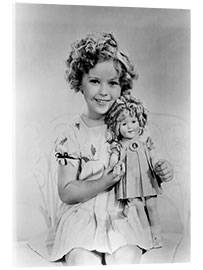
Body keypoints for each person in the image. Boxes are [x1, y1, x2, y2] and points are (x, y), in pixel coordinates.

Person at [28, 32, 173, 265]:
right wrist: (104, 182)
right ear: (80, 83)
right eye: (95, 81)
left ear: (122, 86)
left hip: (122, 215)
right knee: (83, 260)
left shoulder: (128, 128)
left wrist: (162, 170)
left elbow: (144, 167)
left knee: (126, 259)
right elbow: (66, 191)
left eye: (112, 83)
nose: (104, 91)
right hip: (81, 217)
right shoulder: (71, 134)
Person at [105, 94, 172, 249]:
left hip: (147, 177)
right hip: (129, 181)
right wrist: (113, 164)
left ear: (139, 121)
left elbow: (153, 154)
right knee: (137, 207)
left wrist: (157, 165)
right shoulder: (118, 145)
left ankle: (157, 237)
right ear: (116, 126)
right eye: (124, 124)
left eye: (133, 121)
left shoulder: (144, 138)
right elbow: (114, 158)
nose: (130, 127)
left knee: (151, 205)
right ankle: (146, 237)